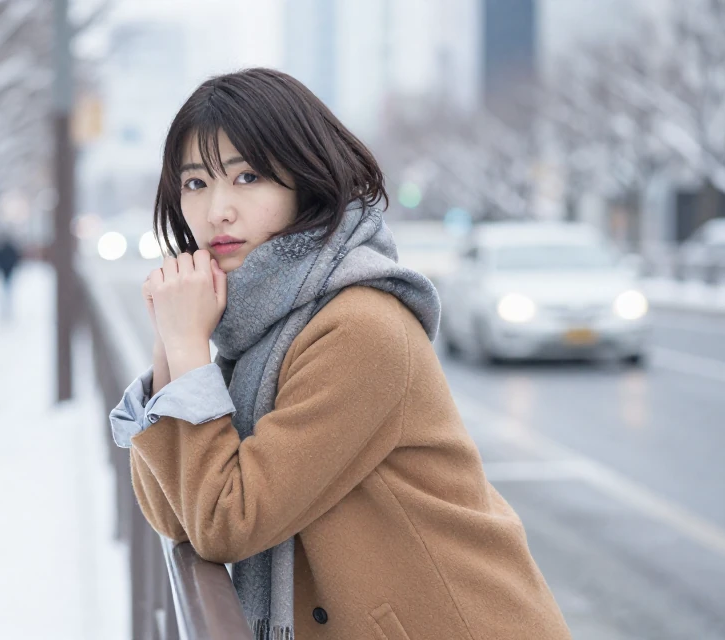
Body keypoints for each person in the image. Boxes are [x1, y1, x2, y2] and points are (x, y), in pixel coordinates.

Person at [109, 68, 570, 640]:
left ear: (305, 180)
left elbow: (227, 522)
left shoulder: (359, 326)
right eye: (196, 183)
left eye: (247, 176)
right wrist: (170, 344)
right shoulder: (249, 323)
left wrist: (186, 348)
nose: (216, 210)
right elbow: (174, 513)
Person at [0, 234, 21, 322]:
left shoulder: (7, 249)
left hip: (7, 272)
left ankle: (7, 310)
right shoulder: (4, 249)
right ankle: (5, 310)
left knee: (6, 291)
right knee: (5, 292)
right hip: (5, 272)